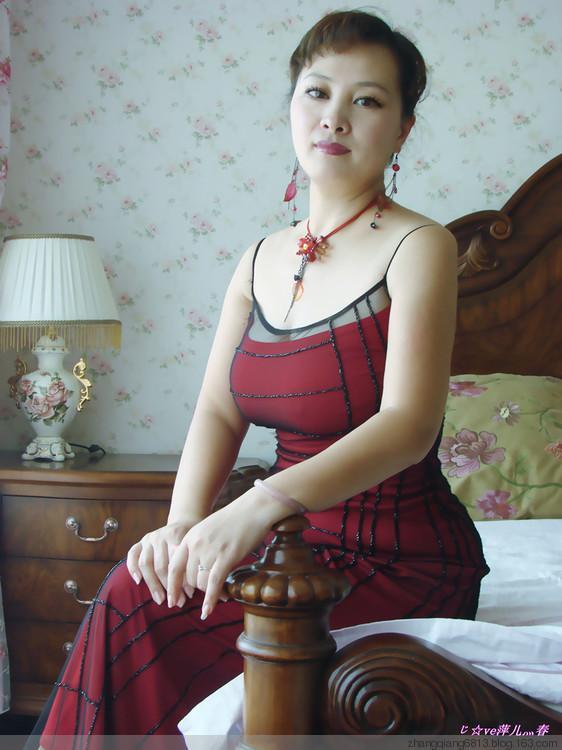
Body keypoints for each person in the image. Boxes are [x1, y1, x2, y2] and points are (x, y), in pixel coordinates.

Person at [31, 9, 489, 746]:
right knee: (137, 586)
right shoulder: (258, 259)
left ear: (402, 129)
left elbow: (409, 426)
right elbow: (219, 409)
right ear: (291, 108)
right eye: (317, 92)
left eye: (368, 100)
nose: (334, 116)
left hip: (400, 554)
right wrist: (182, 524)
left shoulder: (420, 244)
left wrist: (257, 505)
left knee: (141, 612)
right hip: (291, 544)